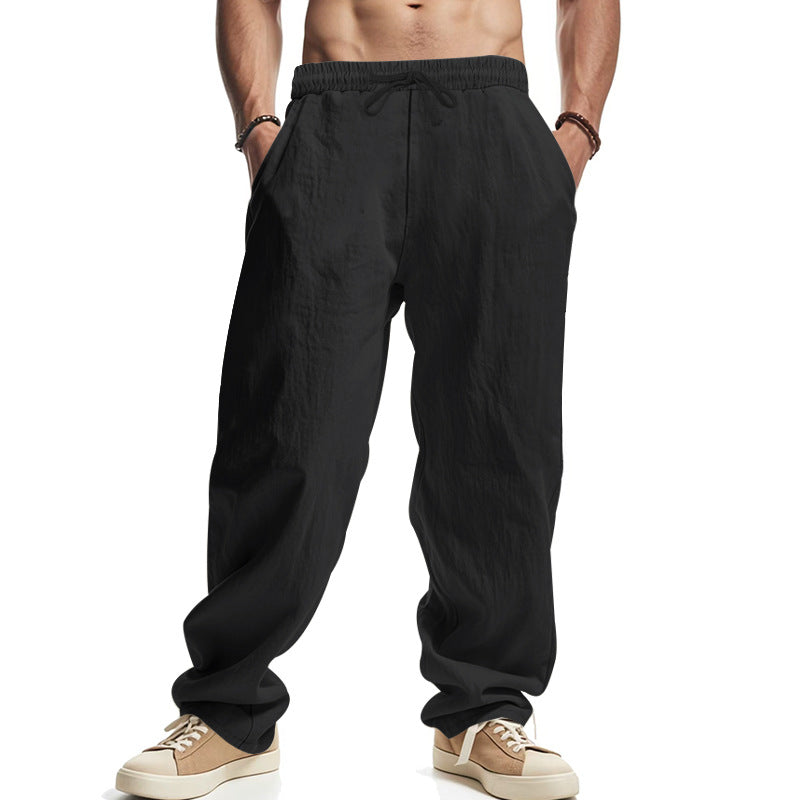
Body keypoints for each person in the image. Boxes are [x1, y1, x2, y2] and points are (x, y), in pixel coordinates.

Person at [115, 0, 619, 798]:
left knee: (497, 436)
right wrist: (259, 131)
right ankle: (229, 711)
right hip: (335, 114)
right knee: (288, 430)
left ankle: (482, 709)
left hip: (491, 115)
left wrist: (576, 133)